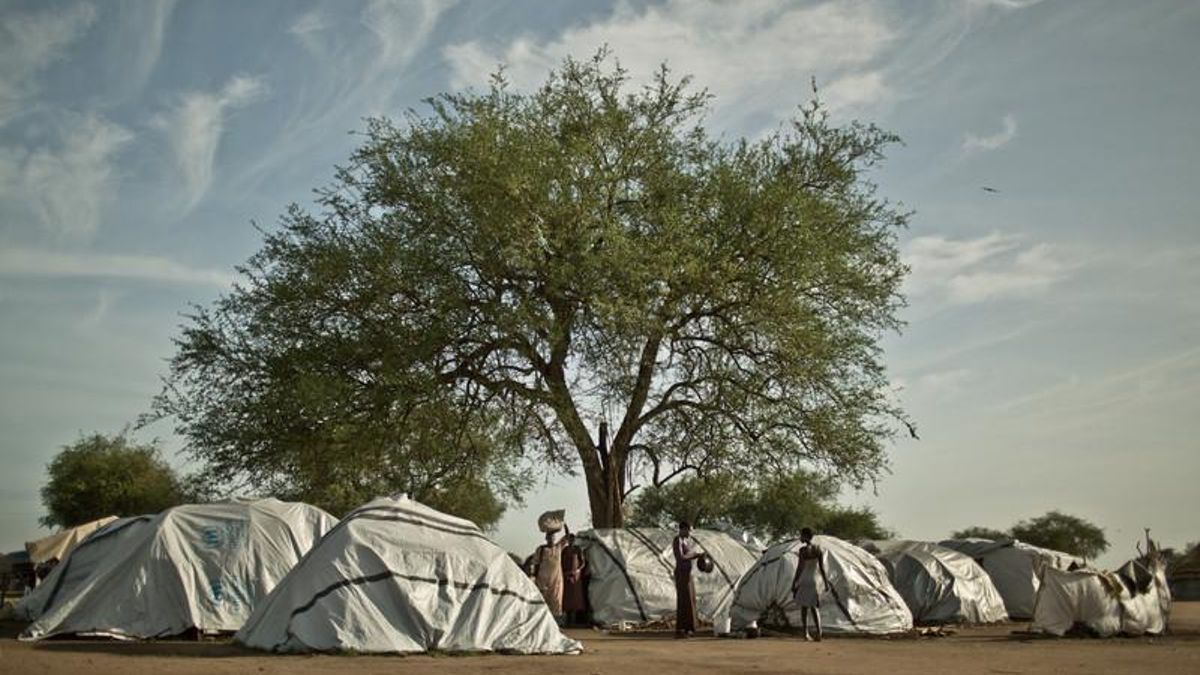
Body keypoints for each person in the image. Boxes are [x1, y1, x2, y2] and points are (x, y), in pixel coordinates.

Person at [790, 527, 828, 641]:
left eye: (801, 535)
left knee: (804, 608)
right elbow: (822, 568)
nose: (800, 538)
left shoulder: (803, 551)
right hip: (814, 580)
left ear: (805, 536)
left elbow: (799, 568)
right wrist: (826, 583)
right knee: (814, 607)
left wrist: (794, 582)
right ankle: (819, 631)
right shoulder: (818, 550)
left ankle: (805, 633)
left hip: (804, 579)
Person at [533, 523, 570, 622]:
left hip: (556, 580)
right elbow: (536, 564)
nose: (551, 539)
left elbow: (567, 537)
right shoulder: (541, 550)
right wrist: (535, 579)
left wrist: (564, 524)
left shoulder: (558, 547)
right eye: (549, 538)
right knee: (543, 602)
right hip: (543, 580)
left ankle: (555, 624)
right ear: (546, 539)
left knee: (556, 602)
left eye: (553, 537)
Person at [673, 520, 702, 638]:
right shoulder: (677, 541)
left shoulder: (685, 541)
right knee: (683, 600)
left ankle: (689, 628)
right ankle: (681, 629)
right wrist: (694, 555)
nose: (690, 532)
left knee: (690, 600)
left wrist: (696, 555)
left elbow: (687, 555)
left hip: (687, 573)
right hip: (681, 573)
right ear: (683, 529)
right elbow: (680, 557)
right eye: (689, 530)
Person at [560, 531, 588, 626]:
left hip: (576, 577)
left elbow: (582, 563)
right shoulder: (564, 550)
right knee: (567, 598)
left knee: (576, 599)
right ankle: (568, 620)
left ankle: (574, 620)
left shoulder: (578, 549)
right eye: (569, 539)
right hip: (566, 576)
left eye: (572, 539)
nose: (571, 541)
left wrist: (577, 570)